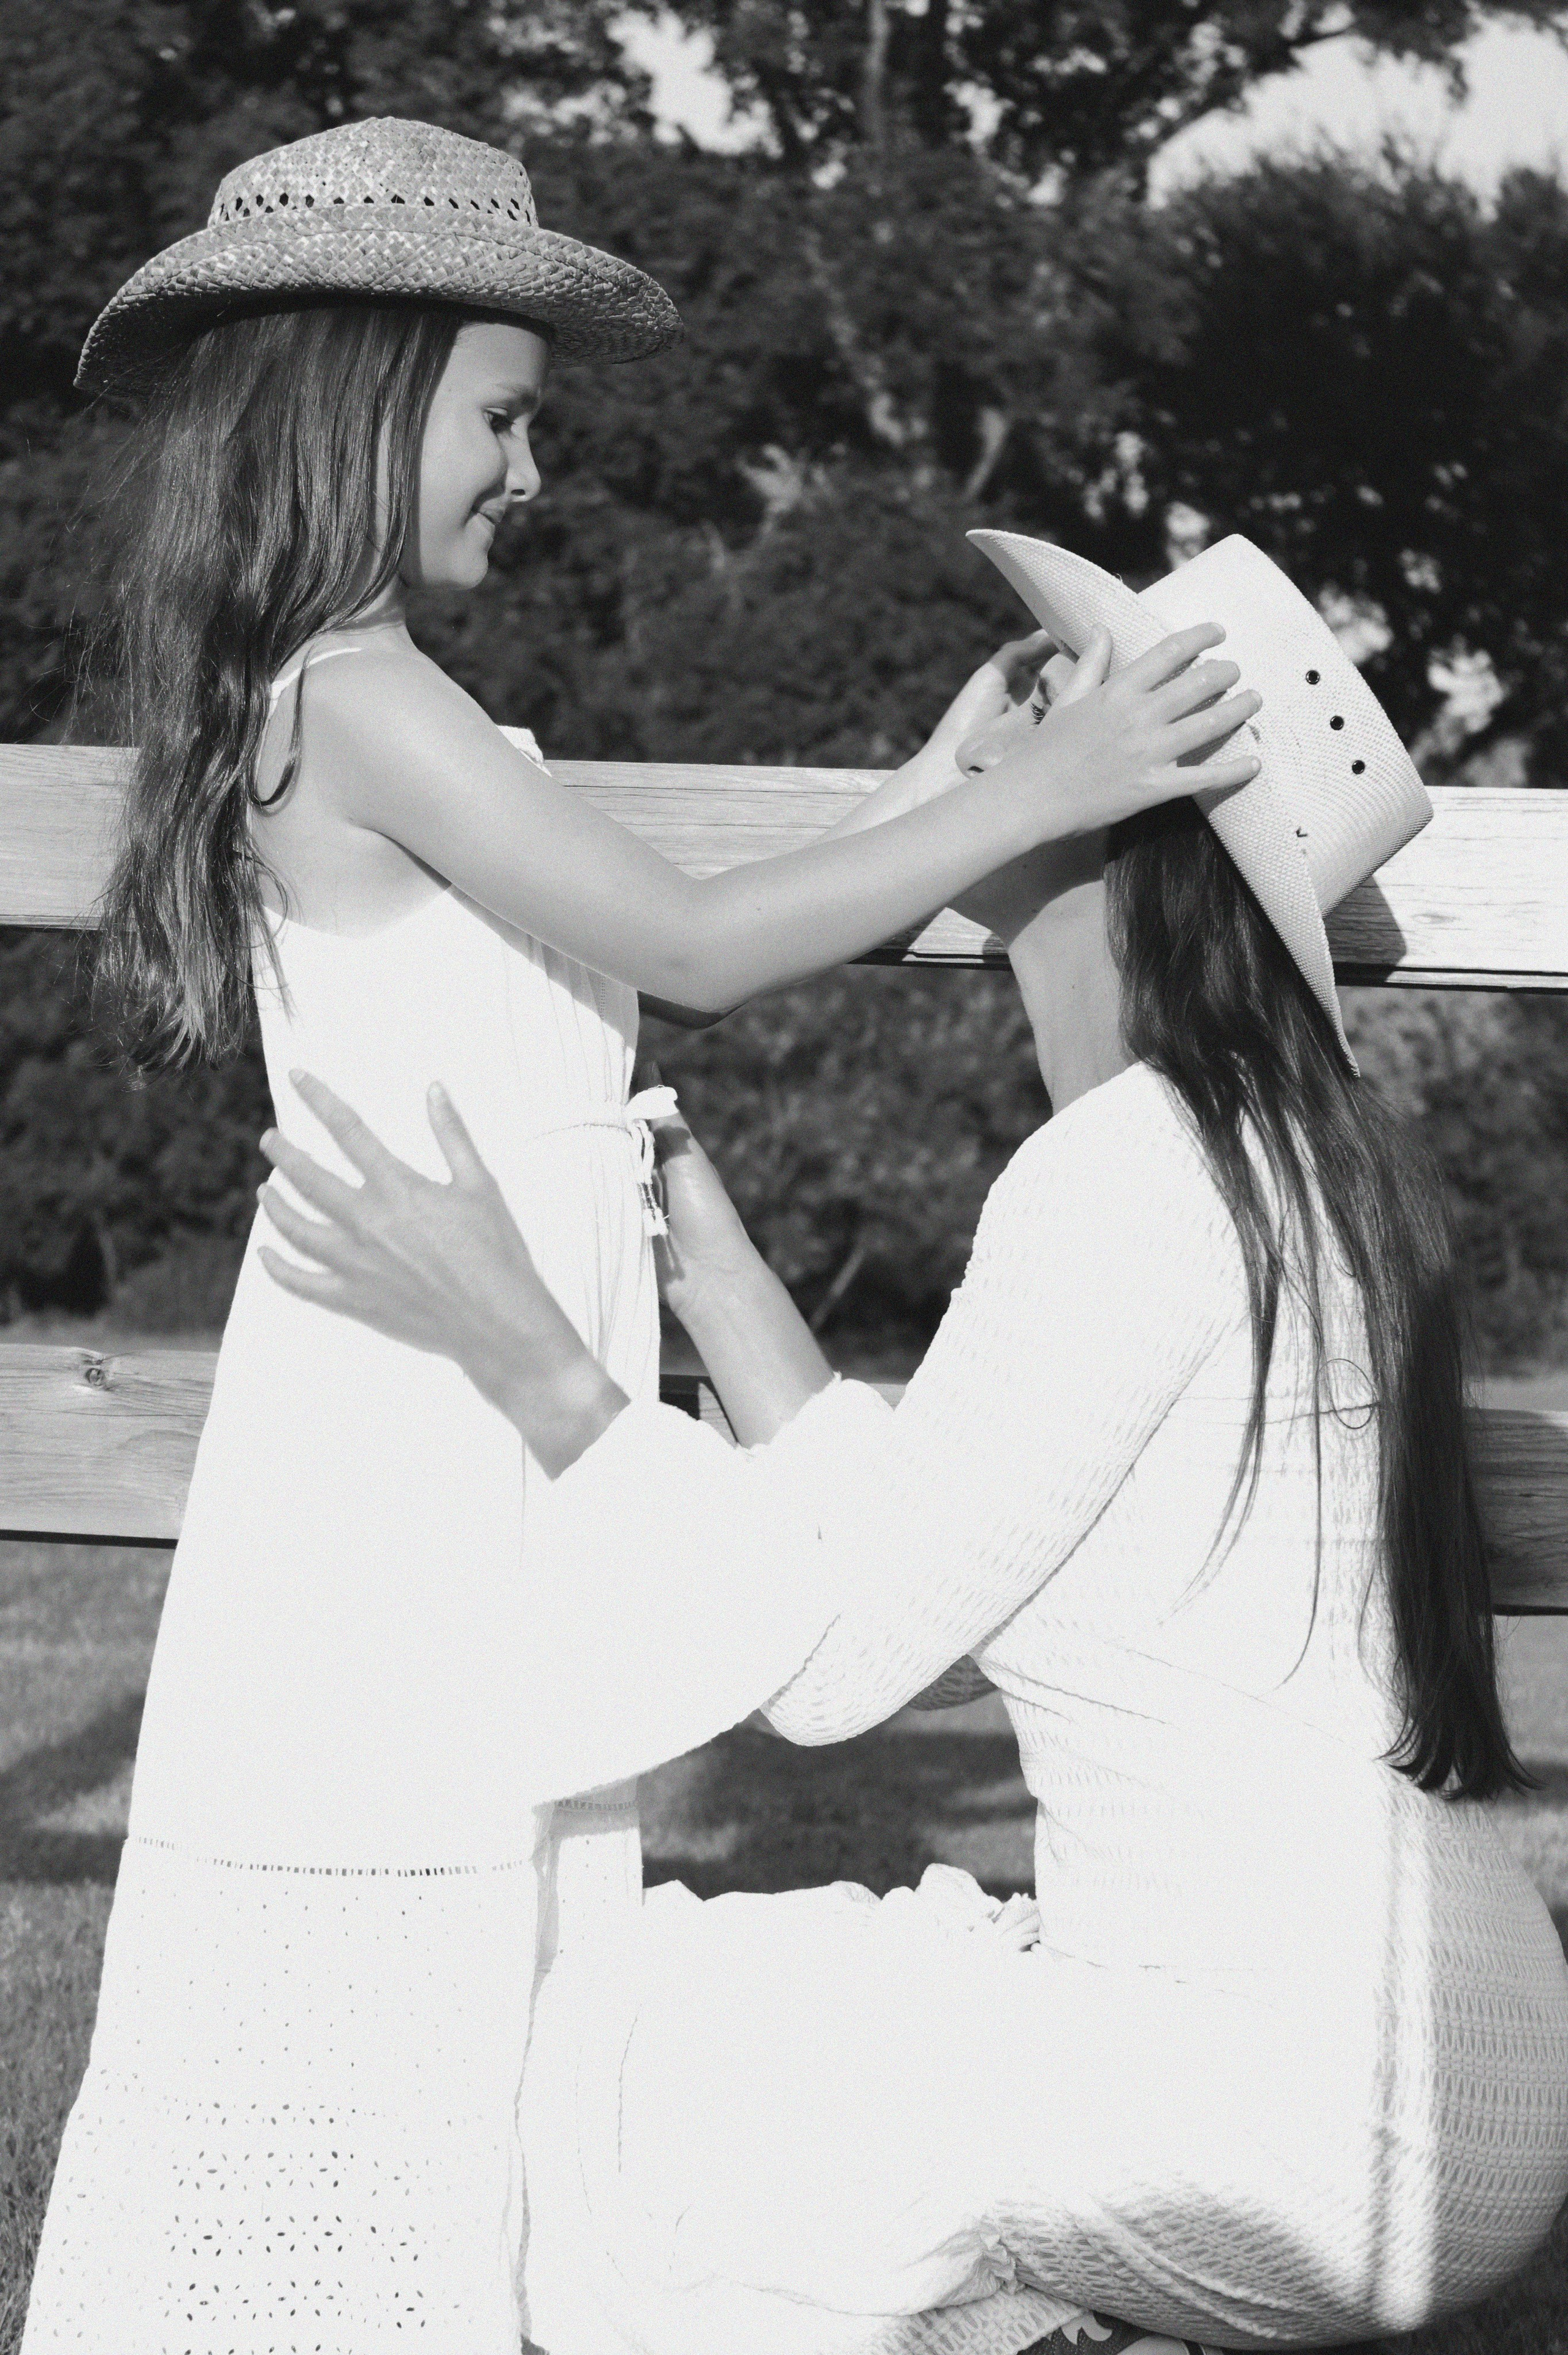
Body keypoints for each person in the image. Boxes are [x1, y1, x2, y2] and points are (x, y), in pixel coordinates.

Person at [21, 120, 1260, 2354]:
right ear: (362, 391)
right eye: (503, 416)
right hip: (416, 1425)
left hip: (441, 1403)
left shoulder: (357, 695)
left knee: (490, 1934)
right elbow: (685, 945)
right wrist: (1039, 805)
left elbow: (591, 971)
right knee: (408, 1930)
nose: (532, 471)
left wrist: (921, 800)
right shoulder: (366, 695)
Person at [253, 532, 1568, 2354]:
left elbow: (838, 1673)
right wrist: (701, 1255)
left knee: (596, 2075)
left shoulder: (1126, 1176)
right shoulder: (1311, 1175)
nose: (1002, 732)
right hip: (1476, 2069)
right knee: (778, 2020)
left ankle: (1025, 2315)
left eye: (1054, 708)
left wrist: (534, 1356)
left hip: (1291, 2123)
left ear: (1120, 823)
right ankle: (1040, 2315)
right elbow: (936, 1569)